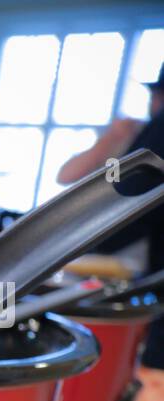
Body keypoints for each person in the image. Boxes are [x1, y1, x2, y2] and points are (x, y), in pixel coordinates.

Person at [58, 62, 164, 368]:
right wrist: (109, 141)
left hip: (127, 266)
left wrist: (81, 243)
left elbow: (133, 212)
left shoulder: (154, 134)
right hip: (107, 263)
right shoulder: (133, 136)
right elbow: (67, 175)